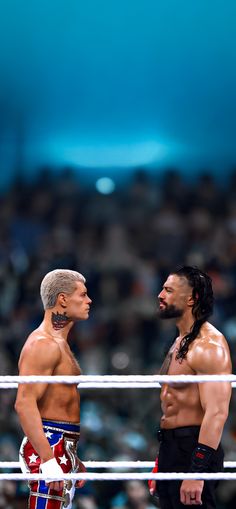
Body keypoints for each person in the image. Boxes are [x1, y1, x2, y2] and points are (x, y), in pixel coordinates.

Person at [149, 266, 232, 509]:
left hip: (194, 450)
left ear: (191, 298)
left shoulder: (209, 346)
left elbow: (217, 413)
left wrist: (196, 471)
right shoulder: (179, 342)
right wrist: (162, 458)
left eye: (168, 290)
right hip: (171, 447)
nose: (160, 295)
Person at [15, 269, 92, 509]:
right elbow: (24, 403)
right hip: (49, 444)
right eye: (83, 295)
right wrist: (48, 459)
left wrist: (70, 454)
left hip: (60, 443)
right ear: (62, 299)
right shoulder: (43, 344)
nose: (89, 301)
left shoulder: (59, 343)